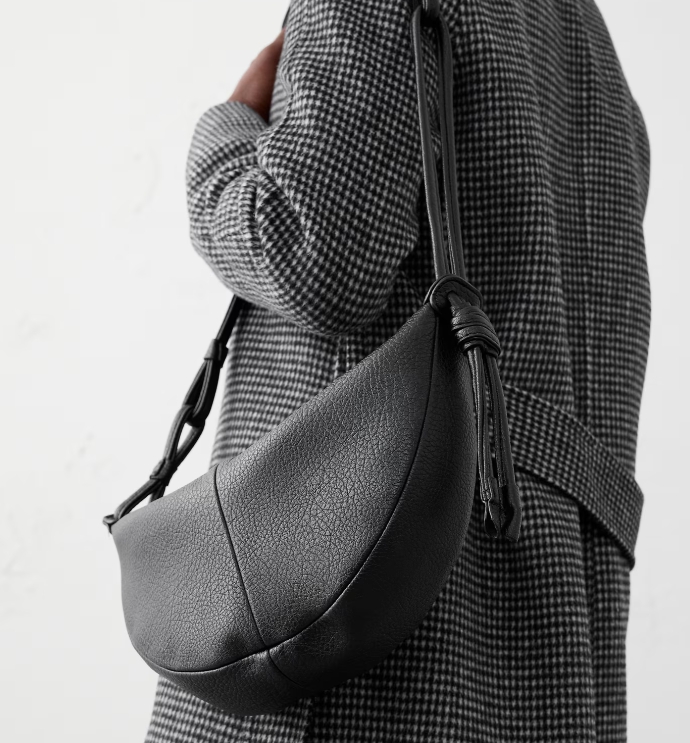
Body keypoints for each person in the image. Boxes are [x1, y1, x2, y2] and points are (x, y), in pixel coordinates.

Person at [146, 0, 650, 741]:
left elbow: (310, 254)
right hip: (555, 637)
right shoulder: (591, 51)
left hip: (365, 624)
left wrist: (225, 138)